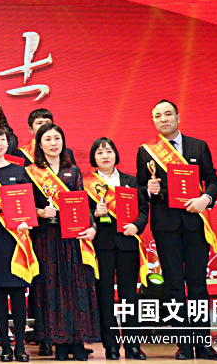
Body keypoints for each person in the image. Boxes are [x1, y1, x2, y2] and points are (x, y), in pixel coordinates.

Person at [135, 100, 217, 361]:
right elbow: (140, 189)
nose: (163, 119)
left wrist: (205, 199)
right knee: (174, 285)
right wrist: (148, 190)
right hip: (166, 226)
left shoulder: (198, 146)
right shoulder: (146, 151)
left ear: (178, 117)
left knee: (197, 285)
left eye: (168, 114)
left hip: (195, 224)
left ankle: (203, 344)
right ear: (154, 121)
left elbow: (213, 181)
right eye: (158, 116)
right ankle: (184, 344)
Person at [26, 124, 99, 362]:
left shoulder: (73, 171)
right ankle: (58, 342)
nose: (53, 143)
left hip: (72, 238)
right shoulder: (31, 172)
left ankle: (77, 341)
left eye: (57, 138)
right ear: (39, 144)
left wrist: (92, 227)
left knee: (74, 287)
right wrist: (40, 212)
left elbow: (83, 202)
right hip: (46, 239)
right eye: (47, 139)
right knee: (51, 288)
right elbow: (25, 206)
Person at [85, 138, 147, 361]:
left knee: (130, 297)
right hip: (101, 246)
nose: (105, 156)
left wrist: (136, 226)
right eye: (100, 152)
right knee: (105, 296)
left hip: (127, 244)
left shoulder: (131, 181)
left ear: (116, 155)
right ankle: (110, 345)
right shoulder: (86, 183)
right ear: (94, 157)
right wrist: (95, 214)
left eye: (109, 151)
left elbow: (143, 209)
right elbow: (82, 213)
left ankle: (133, 346)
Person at [0, 124, 34, 363]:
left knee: (18, 294)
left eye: (3, 139)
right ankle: (5, 346)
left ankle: (20, 345)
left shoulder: (20, 171)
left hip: (16, 239)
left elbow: (29, 205)